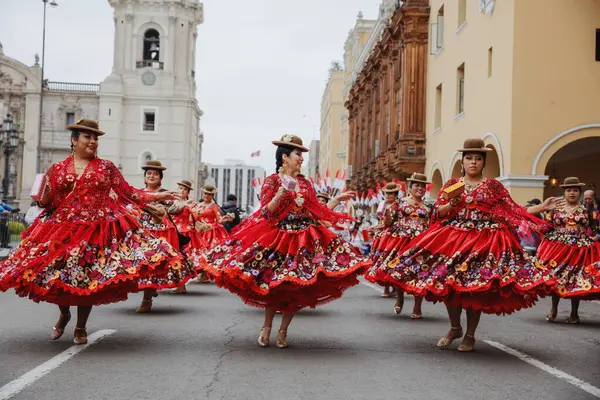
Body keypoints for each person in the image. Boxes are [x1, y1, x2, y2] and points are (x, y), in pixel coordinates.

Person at [0, 119, 184, 344]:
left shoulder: (106, 167)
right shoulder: (57, 169)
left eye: (96, 138)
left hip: (96, 230)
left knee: (86, 278)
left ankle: (80, 327)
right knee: (58, 276)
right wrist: (39, 197)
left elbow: (128, 192)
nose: (93, 142)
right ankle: (64, 315)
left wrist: (160, 196)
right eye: (88, 137)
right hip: (62, 230)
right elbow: (48, 201)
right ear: (74, 140)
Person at [385, 138, 559, 352]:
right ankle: (455, 327)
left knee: (473, 289)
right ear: (463, 161)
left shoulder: (493, 186)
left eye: (478, 158)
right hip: (453, 239)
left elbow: (513, 211)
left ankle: (470, 335)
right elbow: (438, 212)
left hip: (484, 241)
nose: (473, 162)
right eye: (469, 158)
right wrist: (454, 202)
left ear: (483, 162)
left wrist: (541, 206)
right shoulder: (452, 185)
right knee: (448, 286)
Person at [202, 134, 370, 348]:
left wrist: (336, 200)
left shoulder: (305, 184)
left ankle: (283, 330)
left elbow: (316, 213)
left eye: (301, 154)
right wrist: (279, 195)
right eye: (298, 154)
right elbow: (266, 213)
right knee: (274, 284)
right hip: (278, 239)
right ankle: (267, 327)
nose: (301, 158)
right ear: (285, 157)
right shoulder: (272, 181)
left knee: (296, 287)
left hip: (303, 241)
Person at [366, 173, 431, 318]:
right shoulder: (399, 203)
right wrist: (387, 218)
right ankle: (399, 298)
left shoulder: (428, 206)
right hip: (401, 241)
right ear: (410, 187)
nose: (420, 188)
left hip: (421, 243)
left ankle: (417, 306)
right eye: (417, 186)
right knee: (397, 270)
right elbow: (388, 223)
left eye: (422, 186)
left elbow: (432, 224)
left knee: (420, 272)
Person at [135, 160, 196, 311]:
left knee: (154, 264)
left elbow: (174, 209)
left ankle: (146, 299)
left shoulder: (166, 194)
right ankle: (150, 290)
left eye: (155, 174)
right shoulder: (138, 193)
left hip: (161, 233)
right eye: (148, 173)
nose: (151, 176)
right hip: (141, 231)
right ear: (144, 177)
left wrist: (182, 206)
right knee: (141, 264)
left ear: (160, 178)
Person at [539, 177, 600, 324]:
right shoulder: (555, 208)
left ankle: (574, 313)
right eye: (568, 190)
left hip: (580, 249)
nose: (572, 193)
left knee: (577, 279)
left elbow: (595, 228)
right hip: (558, 248)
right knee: (557, 279)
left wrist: (595, 238)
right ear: (564, 192)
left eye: (575, 190)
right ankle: (554, 309)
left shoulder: (587, 210)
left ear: (579, 192)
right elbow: (546, 226)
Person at [188, 185, 233, 282]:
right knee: (198, 252)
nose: (206, 196)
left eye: (209, 194)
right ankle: (201, 272)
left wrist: (225, 219)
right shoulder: (197, 205)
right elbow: (192, 218)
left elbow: (218, 220)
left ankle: (206, 273)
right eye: (205, 193)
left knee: (208, 252)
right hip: (199, 230)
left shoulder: (214, 206)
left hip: (211, 232)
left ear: (212, 196)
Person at [371, 182, 400, 298]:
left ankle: (394, 287)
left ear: (396, 194)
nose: (388, 196)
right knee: (382, 259)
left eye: (391, 193)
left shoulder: (399, 205)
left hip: (395, 234)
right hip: (383, 234)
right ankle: (386, 288)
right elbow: (381, 220)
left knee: (393, 259)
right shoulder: (382, 204)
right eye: (386, 193)